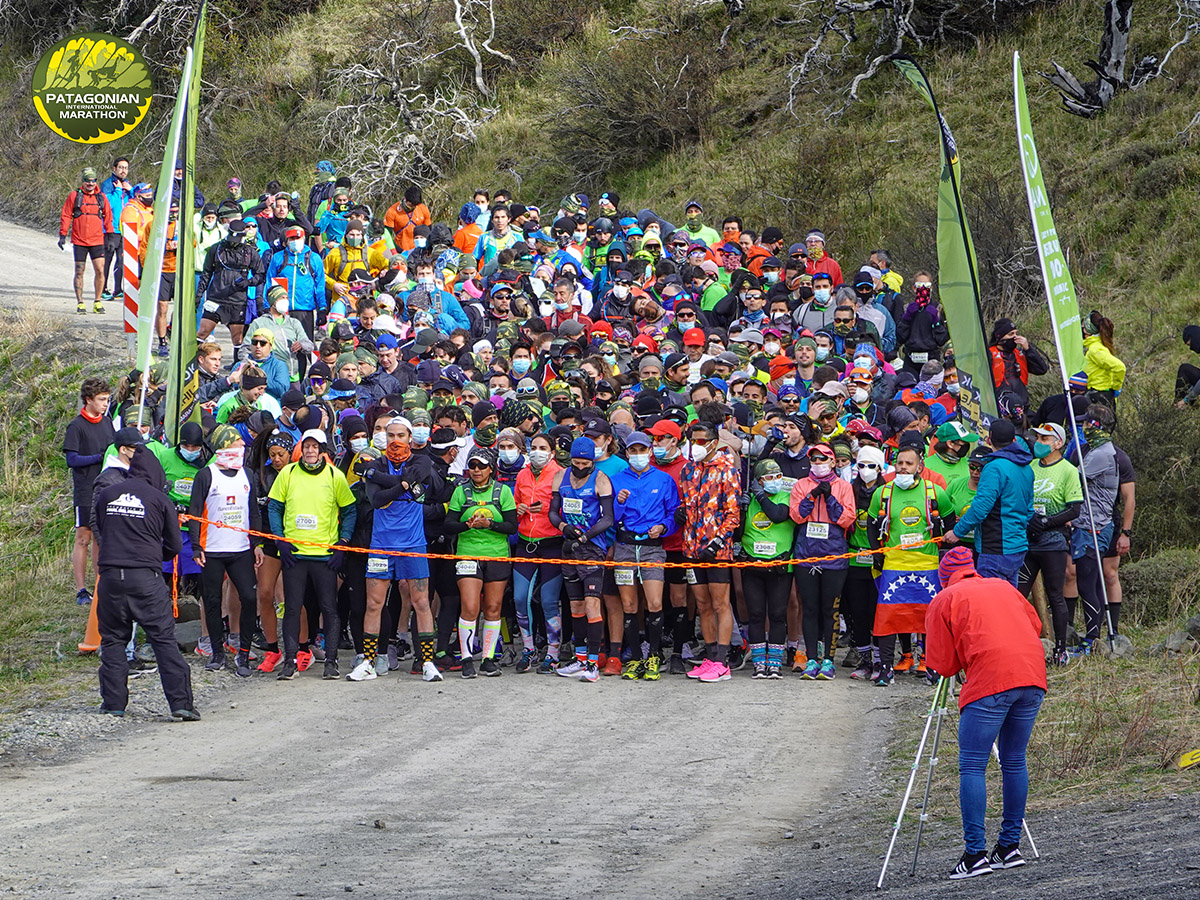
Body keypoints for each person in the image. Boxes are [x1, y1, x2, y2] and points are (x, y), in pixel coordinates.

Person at [925, 547, 1047, 880]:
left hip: (991, 681)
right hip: (1033, 676)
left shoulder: (945, 598)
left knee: (972, 765)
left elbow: (942, 665)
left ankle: (975, 855)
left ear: (943, 577)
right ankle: (1009, 847)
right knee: (1014, 759)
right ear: (973, 568)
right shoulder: (1003, 586)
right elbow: (1035, 625)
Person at [92, 433, 198, 720]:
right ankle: (181, 704)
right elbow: (174, 545)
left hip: (110, 576)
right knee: (163, 639)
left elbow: (100, 528)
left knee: (113, 640)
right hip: (145, 578)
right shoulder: (160, 499)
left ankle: (113, 703)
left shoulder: (107, 494)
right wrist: (154, 556)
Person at [357, 416, 445, 682]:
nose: (395, 440)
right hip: (381, 544)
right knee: (373, 603)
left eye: (400, 435)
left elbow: (415, 478)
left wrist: (380, 479)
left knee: (421, 602)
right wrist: (403, 486)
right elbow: (376, 499)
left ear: (409, 438)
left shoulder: (420, 461)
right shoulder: (376, 463)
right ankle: (368, 662)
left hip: (413, 544)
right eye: (390, 435)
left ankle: (427, 662)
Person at [267, 429, 357, 681]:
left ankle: (331, 661)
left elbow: (350, 510)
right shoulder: (288, 473)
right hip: (294, 555)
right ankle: (290, 661)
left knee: (329, 608)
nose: (309, 451)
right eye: (306, 446)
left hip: (324, 555)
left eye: (315, 447)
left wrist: (343, 543)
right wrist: (280, 539)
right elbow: (274, 508)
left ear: (323, 451)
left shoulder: (335, 476)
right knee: (292, 608)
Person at [868, 441, 952, 686]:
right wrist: (877, 553)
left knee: (930, 619)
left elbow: (950, 523)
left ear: (919, 466)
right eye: (899, 463)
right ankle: (885, 669)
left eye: (909, 463)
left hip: (928, 565)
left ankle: (932, 666)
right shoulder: (882, 493)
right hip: (894, 566)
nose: (903, 468)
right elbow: (872, 526)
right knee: (887, 620)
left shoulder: (935, 492)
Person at [187, 425, 262, 677]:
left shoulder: (247, 474)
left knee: (249, 597)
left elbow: (254, 512)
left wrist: (257, 544)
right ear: (225, 445)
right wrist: (196, 546)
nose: (243, 445)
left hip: (240, 549)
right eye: (237, 441)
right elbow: (195, 512)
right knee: (212, 600)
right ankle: (217, 653)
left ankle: (243, 652)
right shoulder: (206, 475)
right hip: (212, 549)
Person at [610, 431, 680, 680]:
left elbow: (674, 514)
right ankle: (635, 658)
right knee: (629, 605)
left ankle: (654, 655)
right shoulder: (616, 480)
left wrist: (662, 527)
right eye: (633, 450)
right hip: (625, 547)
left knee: (655, 603)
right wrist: (619, 502)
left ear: (649, 451)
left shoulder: (664, 479)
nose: (638, 455)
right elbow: (609, 517)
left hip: (652, 548)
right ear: (626, 453)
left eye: (642, 450)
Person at [445, 446, 518, 678]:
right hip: (468, 554)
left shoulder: (503, 492)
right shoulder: (461, 491)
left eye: (481, 466)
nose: (476, 470)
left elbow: (512, 527)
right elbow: (448, 525)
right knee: (470, 607)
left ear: (491, 469)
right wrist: (466, 525)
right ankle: (467, 659)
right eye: (472, 466)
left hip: (496, 555)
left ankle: (488, 658)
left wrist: (490, 525)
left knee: (493, 608)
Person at [548, 436, 615, 682]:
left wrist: (586, 537)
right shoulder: (561, 477)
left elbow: (608, 518)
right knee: (575, 606)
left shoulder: (600, 479)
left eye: (585, 464)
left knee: (591, 605)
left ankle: (593, 664)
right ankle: (580, 658)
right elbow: (553, 512)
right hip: (568, 547)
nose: (580, 468)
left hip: (592, 548)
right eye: (576, 463)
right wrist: (564, 527)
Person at [679, 420, 741, 683]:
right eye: (693, 441)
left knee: (720, 604)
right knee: (702, 605)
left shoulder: (727, 470)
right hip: (691, 548)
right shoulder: (688, 470)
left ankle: (722, 662)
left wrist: (716, 542)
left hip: (717, 551)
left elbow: (733, 513)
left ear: (714, 443)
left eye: (701, 441)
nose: (696, 445)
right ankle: (710, 655)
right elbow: (685, 503)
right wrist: (680, 514)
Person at [789, 441, 856, 680]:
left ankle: (828, 660)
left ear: (833, 461)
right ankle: (811, 659)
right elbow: (797, 516)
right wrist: (812, 495)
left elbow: (847, 519)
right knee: (809, 608)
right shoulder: (801, 485)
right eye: (814, 459)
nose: (818, 463)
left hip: (834, 556)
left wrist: (829, 498)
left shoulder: (844, 487)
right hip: (806, 555)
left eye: (823, 458)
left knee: (830, 609)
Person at [1017, 422, 1082, 666]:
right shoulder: (1030, 466)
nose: (1039, 442)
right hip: (1028, 541)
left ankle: (1060, 649)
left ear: (1058, 444)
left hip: (1053, 542)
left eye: (1045, 439)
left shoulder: (1068, 470)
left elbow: (1074, 509)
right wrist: (1029, 519)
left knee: (1056, 595)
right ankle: (1019, 645)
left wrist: (1047, 522)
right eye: (1038, 438)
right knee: (1018, 595)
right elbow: (1020, 498)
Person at [943, 419, 1033, 587]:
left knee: (990, 599)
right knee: (1009, 598)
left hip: (995, 548)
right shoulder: (1026, 468)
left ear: (989, 439)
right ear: (1014, 440)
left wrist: (957, 532)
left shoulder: (993, 467)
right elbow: (1029, 510)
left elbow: (980, 508)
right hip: (1018, 546)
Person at [513, 433, 565, 674]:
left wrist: (548, 509)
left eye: (543, 448)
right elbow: (513, 506)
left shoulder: (560, 474)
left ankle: (553, 653)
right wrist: (519, 509)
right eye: (533, 447)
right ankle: (528, 649)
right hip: (526, 542)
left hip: (552, 543)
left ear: (552, 452)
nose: (537, 452)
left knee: (549, 601)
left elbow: (567, 509)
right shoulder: (522, 474)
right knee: (519, 598)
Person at [1072, 403, 1121, 651]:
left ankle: (1091, 639)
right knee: (1090, 582)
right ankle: (1094, 635)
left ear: (1097, 426)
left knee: (1087, 584)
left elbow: (1073, 478)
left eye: (1086, 423)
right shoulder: (1098, 450)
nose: (1082, 427)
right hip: (1091, 525)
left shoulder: (1100, 454)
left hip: (1094, 527)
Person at [740, 458, 795, 678]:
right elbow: (737, 533)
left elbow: (778, 515)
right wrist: (741, 509)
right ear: (759, 481)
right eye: (769, 477)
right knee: (755, 614)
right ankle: (758, 663)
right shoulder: (751, 499)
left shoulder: (787, 495)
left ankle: (774, 663)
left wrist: (761, 496)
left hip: (780, 565)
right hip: (753, 564)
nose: (775, 480)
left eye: (778, 476)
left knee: (777, 614)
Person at [64, 377, 115, 605]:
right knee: (83, 537)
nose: (105, 404)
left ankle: (100, 586)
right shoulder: (76, 426)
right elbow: (72, 459)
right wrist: (98, 458)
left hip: (106, 487)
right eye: (101, 399)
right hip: (85, 489)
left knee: (100, 538)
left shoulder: (107, 422)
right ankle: (81, 589)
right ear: (88, 400)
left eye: (107, 399)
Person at [196, 219, 267, 354]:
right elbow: (206, 274)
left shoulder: (250, 252)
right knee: (203, 332)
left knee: (237, 338)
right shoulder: (216, 249)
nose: (234, 242)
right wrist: (199, 295)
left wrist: (248, 282)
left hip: (237, 300)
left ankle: (236, 364)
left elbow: (261, 275)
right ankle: (194, 362)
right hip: (216, 298)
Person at [60, 167, 114, 315]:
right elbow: (66, 215)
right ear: (83, 181)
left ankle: (97, 301)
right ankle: (80, 303)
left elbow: (108, 217)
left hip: (97, 241)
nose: (90, 184)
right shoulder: (74, 196)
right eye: (87, 181)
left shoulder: (101, 197)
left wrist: (110, 237)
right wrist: (62, 235)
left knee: (100, 270)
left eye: (93, 181)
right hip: (79, 241)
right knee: (79, 271)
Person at [987, 317, 1050, 410]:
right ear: (1000, 337)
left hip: (1022, 406)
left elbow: (1042, 369)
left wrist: (1028, 349)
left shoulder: (1020, 354)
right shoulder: (989, 354)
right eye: (1011, 334)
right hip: (999, 407)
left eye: (1016, 333)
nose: (1015, 337)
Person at [100, 157, 132, 303]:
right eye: (120, 167)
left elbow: (134, 203)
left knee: (121, 261)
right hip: (110, 229)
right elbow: (107, 204)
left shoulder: (128, 185)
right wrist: (118, 190)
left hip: (125, 229)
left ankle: (118, 289)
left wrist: (131, 191)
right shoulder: (107, 185)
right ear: (114, 168)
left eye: (125, 168)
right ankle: (102, 289)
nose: (123, 171)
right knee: (107, 260)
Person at [1081, 310, 1125, 408]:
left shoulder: (1095, 349)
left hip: (1098, 397)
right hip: (1100, 396)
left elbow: (1119, 367)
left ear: (1087, 331)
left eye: (1082, 327)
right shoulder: (1098, 345)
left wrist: (1116, 387)